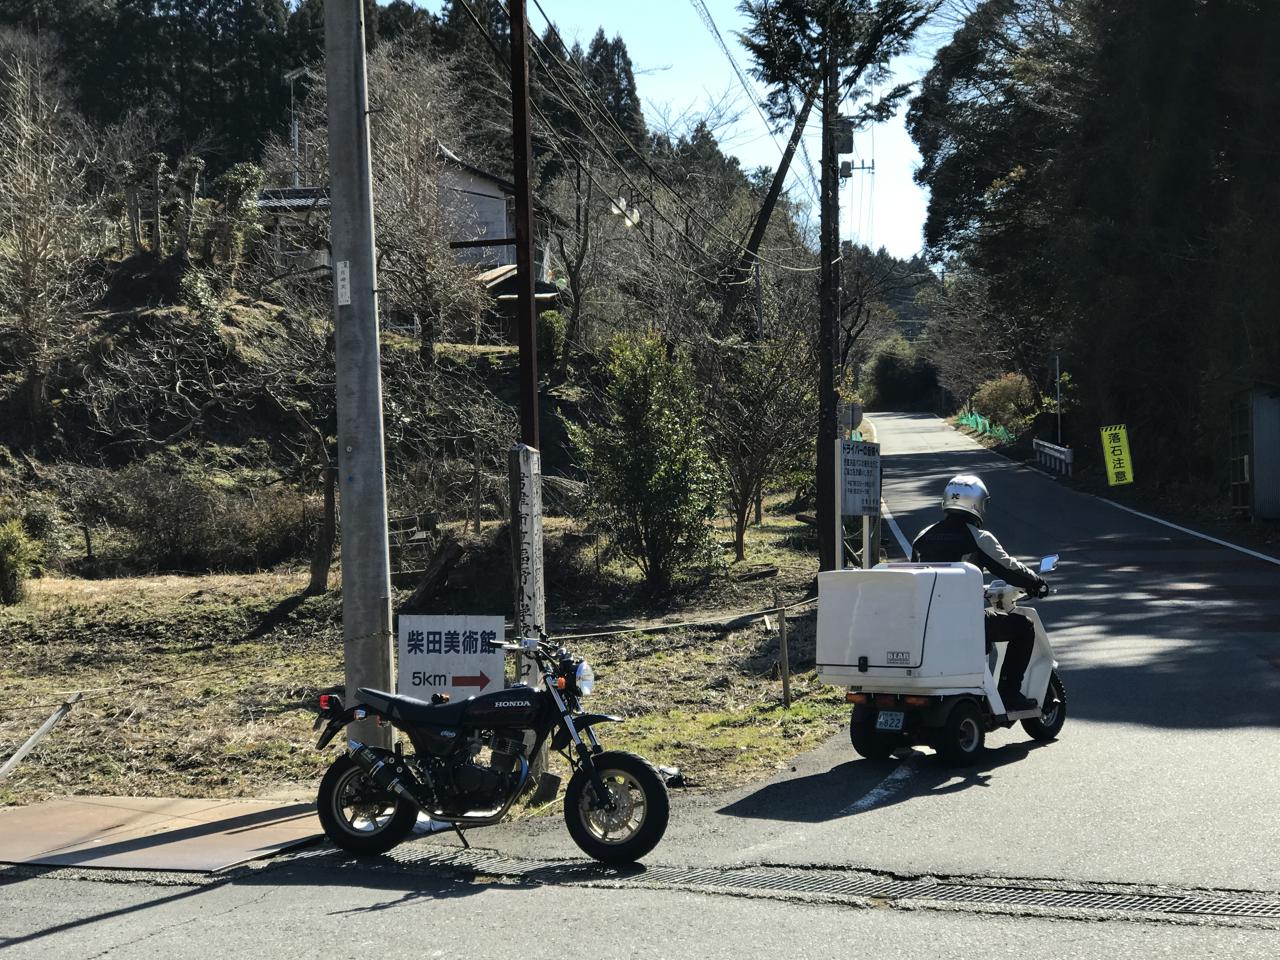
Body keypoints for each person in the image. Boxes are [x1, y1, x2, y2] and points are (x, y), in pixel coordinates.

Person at [911, 473, 1049, 712]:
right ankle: (1009, 695)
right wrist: (1037, 582)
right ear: (975, 503)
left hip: (925, 623)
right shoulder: (977, 537)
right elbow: (1007, 567)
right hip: (964, 622)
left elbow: (917, 579)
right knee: (1024, 627)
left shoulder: (922, 537)